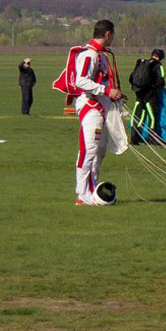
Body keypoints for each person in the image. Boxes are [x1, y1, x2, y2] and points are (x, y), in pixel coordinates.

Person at [64, 19, 123, 206]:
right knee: (89, 149)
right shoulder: (89, 54)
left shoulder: (101, 55)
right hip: (91, 107)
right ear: (108, 34)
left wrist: (114, 95)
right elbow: (81, 81)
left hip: (102, 107)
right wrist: (106, 91)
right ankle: (82, 193)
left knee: (100, 151)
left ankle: (93, 189)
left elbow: (102, 81)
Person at [129, 49, 166, 143]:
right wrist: (155, 86)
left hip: (138, 92)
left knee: (139, 115)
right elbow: (161, 81)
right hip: (149, 94)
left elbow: (131, 78)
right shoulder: (157, 65)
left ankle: (134, 137)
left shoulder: (142, 63)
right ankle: (152, 138)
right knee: (152, 116)